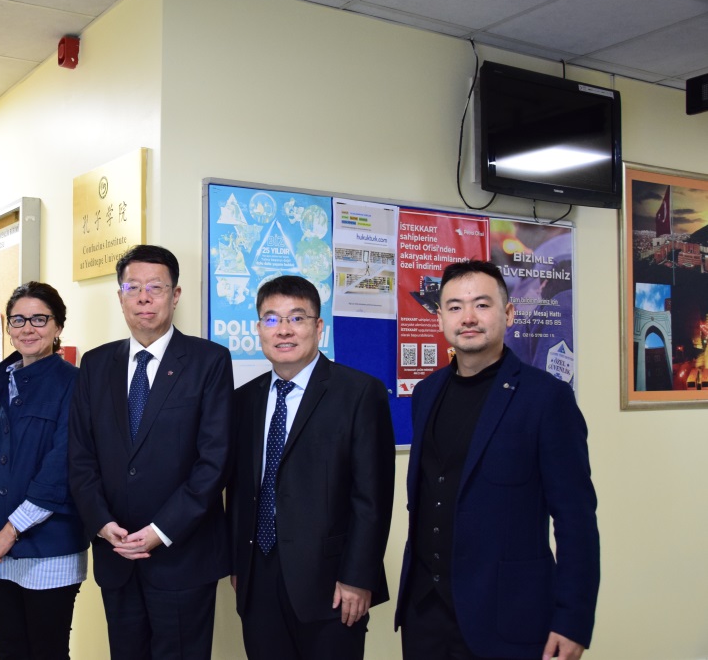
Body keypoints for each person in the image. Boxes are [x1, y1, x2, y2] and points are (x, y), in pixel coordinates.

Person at [395, 260, 599, 660]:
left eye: (482, 305)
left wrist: (572, 619)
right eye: (455, 307)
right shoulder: (426, 393)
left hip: (507, 616)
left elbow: (575, 519)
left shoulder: (547, 399)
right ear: (440, 319)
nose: (468, 317)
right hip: (425, 614)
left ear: (508, 313)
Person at [68, 244, 234, 660]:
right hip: (116, 551)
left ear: (175, 295)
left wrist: (161, 530)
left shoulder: (209, 361)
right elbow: (81, 455)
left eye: (155, 288)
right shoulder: (96, 364)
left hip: (183, 555)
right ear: (120, 296)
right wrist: (101, 522)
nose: (143, 298)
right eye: (133, 287)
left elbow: (214, 461)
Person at [227, 275, 396, 659]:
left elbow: (372, 497)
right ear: (258, 329)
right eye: (271, 319)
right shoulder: (244, 399)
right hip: (258, 578)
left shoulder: (358, 392)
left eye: (297, 318)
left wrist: (358, 578)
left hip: (332, 583)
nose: (283, 330)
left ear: (319, 327)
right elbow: (239, 490)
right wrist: (240, 565)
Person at [0, 281, 88, 660]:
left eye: (39, 319)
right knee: (10, 650)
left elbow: (60, 469)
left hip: (48, 550)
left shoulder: (75, 385)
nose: (28, 328)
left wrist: (10, 532)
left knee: (47, 652)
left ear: (58, 326)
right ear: (8, 327)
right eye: (18, 319)